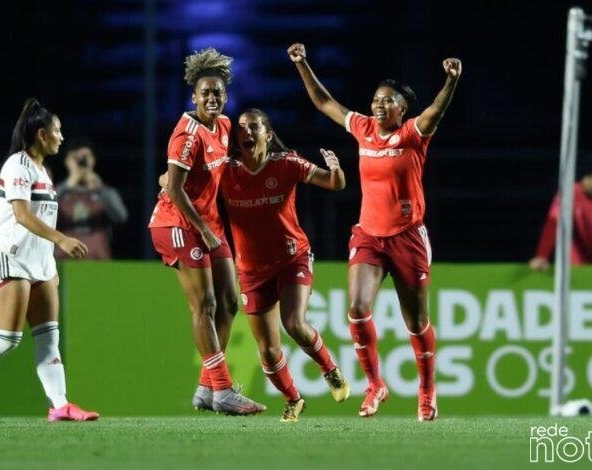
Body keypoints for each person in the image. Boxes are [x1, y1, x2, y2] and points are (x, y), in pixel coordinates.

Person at [288, 43, 462, 421]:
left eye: (387, 101)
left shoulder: (414, 133)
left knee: (415, 322)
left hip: (408, 238)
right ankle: (375, 385)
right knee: (357, 309)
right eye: (376, 99)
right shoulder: (363, 128)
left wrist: (450, 81)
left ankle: (427, 391)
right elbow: (324, 102)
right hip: (369, 235)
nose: (378, 105)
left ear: (402, 109)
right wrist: (303, 64)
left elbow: (437, 110)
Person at [0, 98, 99, 422]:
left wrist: (50, 261)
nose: (62, 136)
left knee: (49, 339)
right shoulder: (17, 165)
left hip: (41, 264)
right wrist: (61, 239)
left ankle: (59, 406)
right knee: (8, 339)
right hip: (11, 259)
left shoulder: (44, 171)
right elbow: (21, 214)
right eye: (57, 130)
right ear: (42, 134)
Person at [148, 48, 265, 415]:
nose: (212, 98)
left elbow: (222, 171)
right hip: (177, 225)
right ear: (193, 97)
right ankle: (224, 389)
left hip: (209, 226)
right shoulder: (186, 135)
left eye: (218, 92)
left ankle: (205, 388)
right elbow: (175, 188)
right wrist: (202, 227)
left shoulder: (226, 126)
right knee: (205, 305)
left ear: (225, 96)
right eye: (205, 93)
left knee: (231, 302)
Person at [222, 109, 350, 422]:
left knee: (294, 322)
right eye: (241, 128)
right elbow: (186, 179)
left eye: (254, 126)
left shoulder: (286, 163)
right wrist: (168, 178)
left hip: (292, 257)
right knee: (266, 350)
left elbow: (334, 184)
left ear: (267, 133)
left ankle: (330, 370)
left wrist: (335, 169)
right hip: (251, 270)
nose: (246, 132)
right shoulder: (225, 172)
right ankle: (293, 399)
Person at [55, 138, 128, 259]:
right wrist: (67, 186)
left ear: (93, 160)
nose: (80, 162)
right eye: (75, 158)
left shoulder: (105, 192)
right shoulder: (56, 191)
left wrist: (100, 189)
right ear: (66, 161)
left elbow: (121, 216)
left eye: (85, 157)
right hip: (63, 261)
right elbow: (41, 212)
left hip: (98, 262)